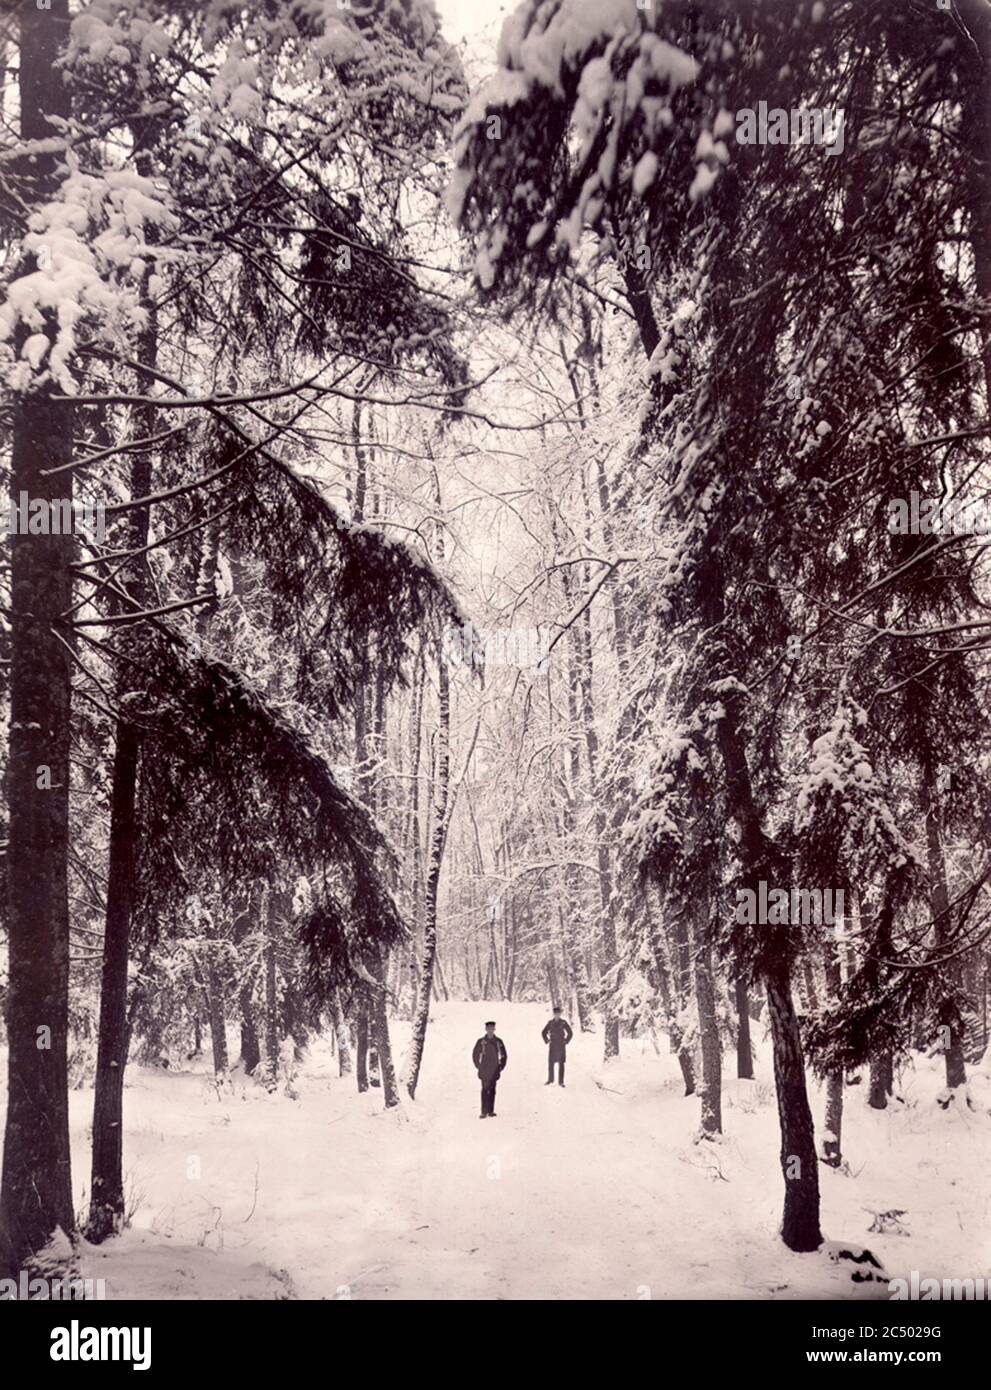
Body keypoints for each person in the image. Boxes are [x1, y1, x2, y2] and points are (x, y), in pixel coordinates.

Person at [472, 1021, 507, 1118]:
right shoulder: (481, 1041)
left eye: (492, 1029)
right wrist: (478, 1065)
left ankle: (491, 1111)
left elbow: (504, 1055)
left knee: (492, 1089)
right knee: (484, 1089)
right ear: (486, 1030)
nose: (490, 1031)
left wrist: (501, 1066)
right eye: (489, 1029)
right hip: (484, 1069)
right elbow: (475, 1054)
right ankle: (483, 1112)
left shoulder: (498, 1042)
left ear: (494, 1029)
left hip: (494, 1068)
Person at [542, 1006, 573, 1086]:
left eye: (558, 1013)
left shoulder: (563, 1023)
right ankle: (550, 1080)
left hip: (561, 1046)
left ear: (560, 1014)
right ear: (554, 1014)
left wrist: (566, 1041)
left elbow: (570, 1033)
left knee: (561, 1064)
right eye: (555, 1013)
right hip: (553, 1046)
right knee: (551, 1064)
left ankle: (561, 1082)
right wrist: (547, 1040)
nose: (557, 1015)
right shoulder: (550, 1023)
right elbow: (543, 1032)